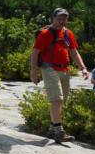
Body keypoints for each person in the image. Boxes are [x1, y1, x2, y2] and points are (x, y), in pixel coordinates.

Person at [29, 8, 89, 142]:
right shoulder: (45, 34)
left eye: (64, 18)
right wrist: (33, 71)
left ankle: (51, 129)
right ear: (53, 18)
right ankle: (59, 132)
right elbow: (35, 53)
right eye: (59, 18)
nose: (62, 21)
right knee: (57, 99)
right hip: (49, 68)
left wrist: (83, 68)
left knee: (62, 101)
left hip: (65, 70)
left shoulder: (68, 33)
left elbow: (74, 52)